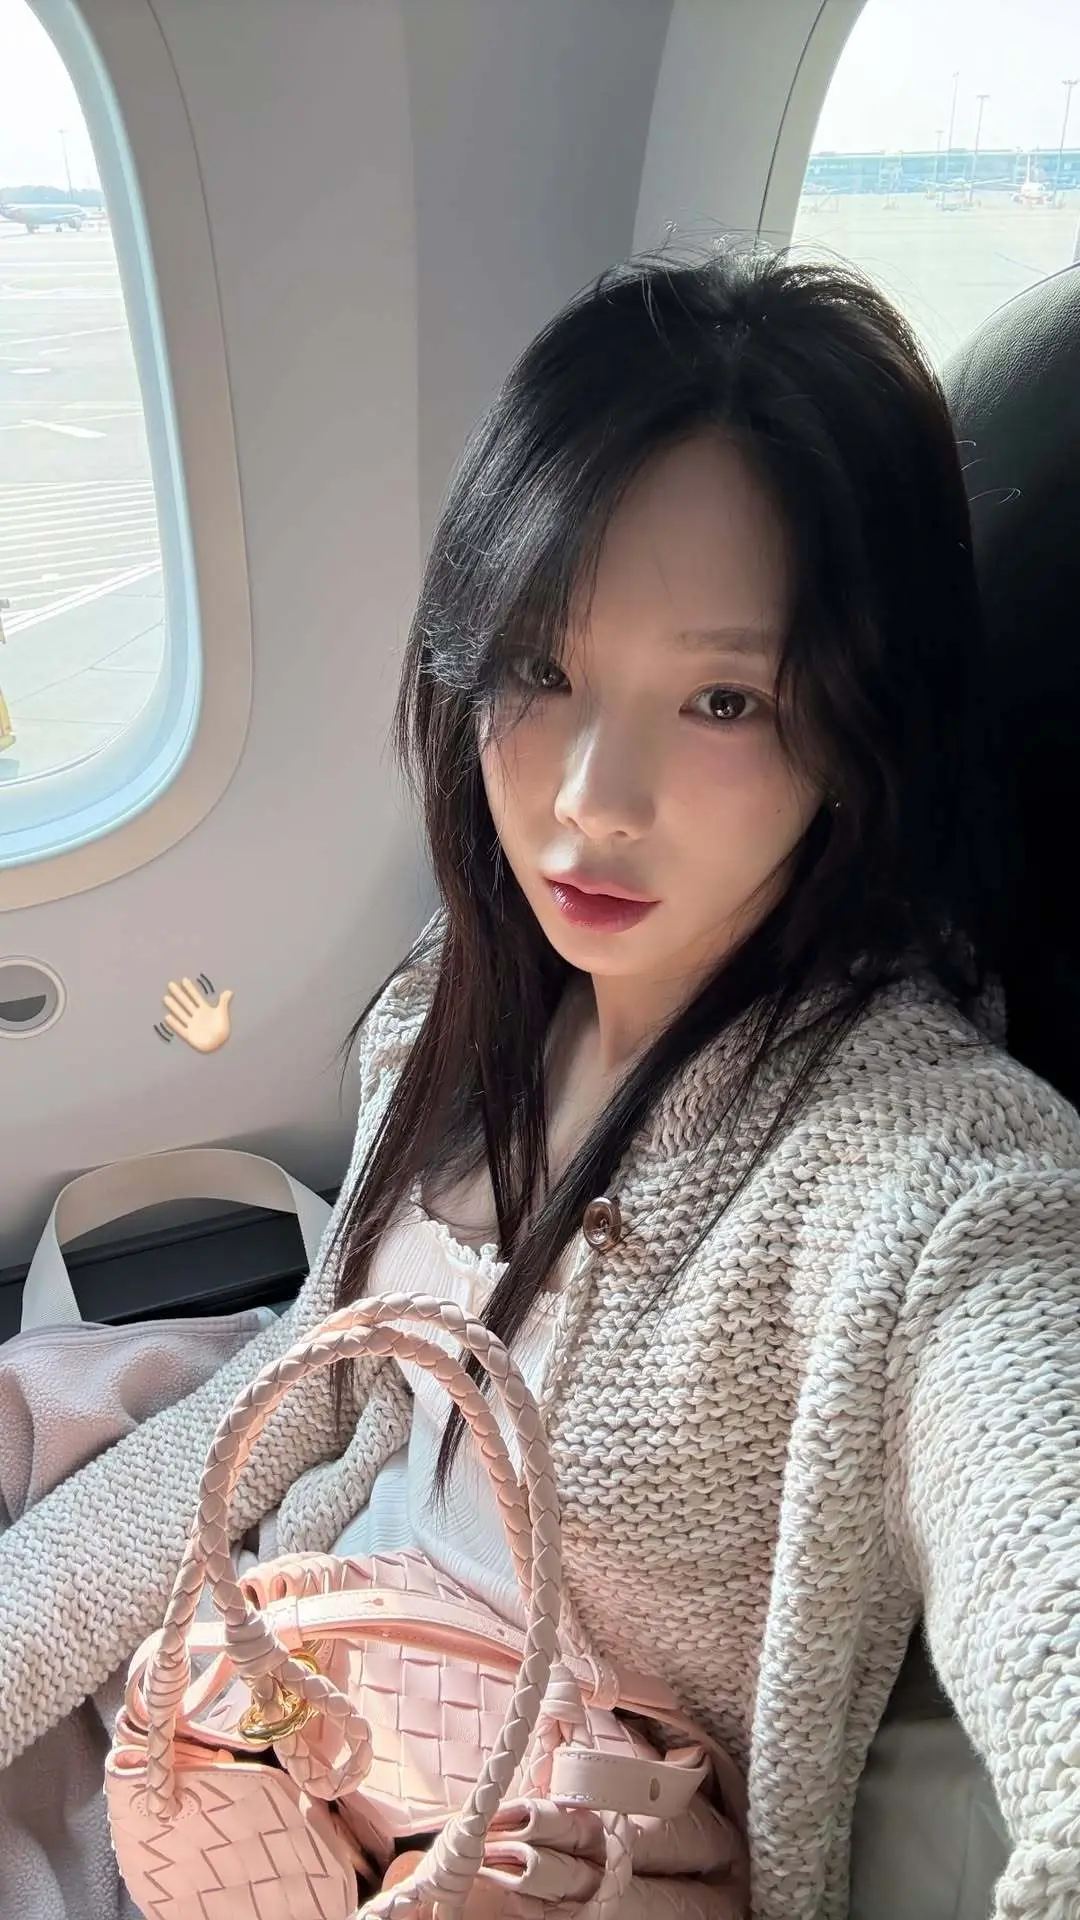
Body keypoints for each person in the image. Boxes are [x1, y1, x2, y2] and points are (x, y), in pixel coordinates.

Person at [1, 244, 1079, 1920]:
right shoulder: (471, 992)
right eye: (543, 669)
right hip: (265, 1726)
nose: (589, 802)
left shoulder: (927, 1181)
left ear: (865, 716)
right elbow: (302, 1393)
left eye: (721, 698)